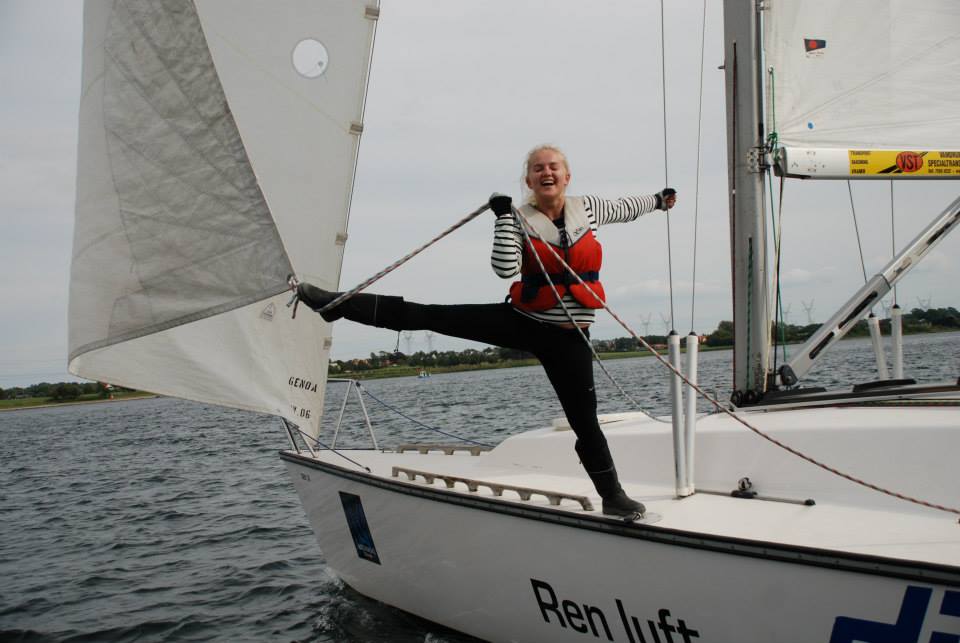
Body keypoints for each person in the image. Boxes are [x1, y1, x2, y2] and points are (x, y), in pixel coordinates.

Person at [296, 144, 676, 519]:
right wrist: (503, 219)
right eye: (539, 168)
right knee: (432, 315)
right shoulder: (519, 217)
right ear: (528, 179)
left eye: (554, 167)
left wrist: (659, 200)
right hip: (525, 322)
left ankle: (612, 497)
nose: (547, 173)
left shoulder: (588, 208)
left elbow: (628, 208)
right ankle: (337, 306)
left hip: (569, 337)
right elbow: (505, 269)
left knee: (585, 421)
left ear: (566, 175)